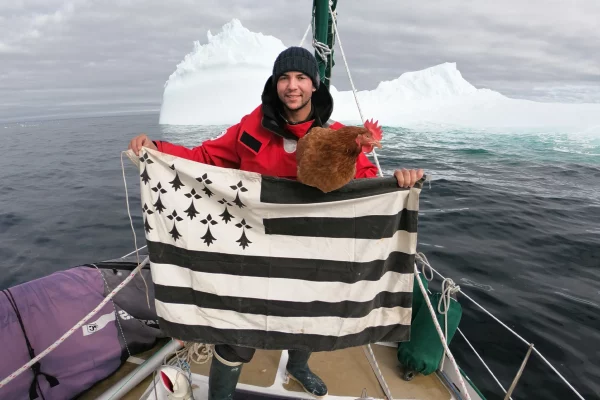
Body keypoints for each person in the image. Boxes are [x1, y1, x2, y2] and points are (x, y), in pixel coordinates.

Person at [129, 46, 424, 400]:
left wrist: (399, 182)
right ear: (275, 83)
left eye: (301, 77)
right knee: (235, 335)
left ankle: (299, 366)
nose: (292, 86)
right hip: (253, 245)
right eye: (284, 77)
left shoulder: (338, 137)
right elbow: (204, 159)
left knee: (309, 316)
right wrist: (156, 148)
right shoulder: (250, 128)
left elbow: (366, 184)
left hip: (312, 247)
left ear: (315, 85)